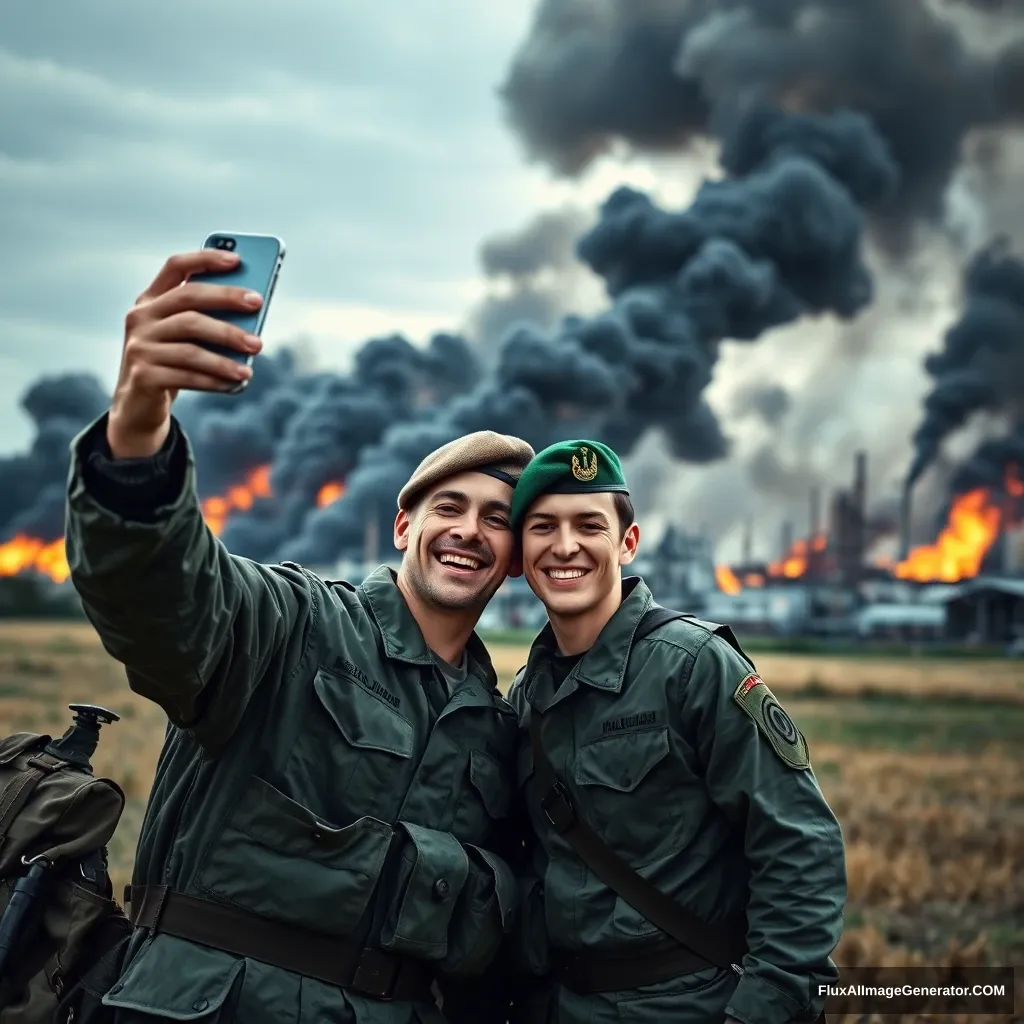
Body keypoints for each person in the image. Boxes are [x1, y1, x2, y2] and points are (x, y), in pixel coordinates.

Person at [62, 247, 535, 1024]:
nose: (469, 531)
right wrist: (139, 424)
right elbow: (165, 598)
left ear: (514, 559)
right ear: (404, 523)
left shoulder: (500, 728)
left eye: (497, 520)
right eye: (449, 507)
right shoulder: (292, 621)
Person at [503, 439, 847, 1024]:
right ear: (521, 550)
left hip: (687, 1003)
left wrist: (763, 1008)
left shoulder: (694, 667)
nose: (565, 546)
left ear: (628, 543)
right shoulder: (526, 697)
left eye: (589, 524)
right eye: (543, 526)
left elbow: (799, 844)